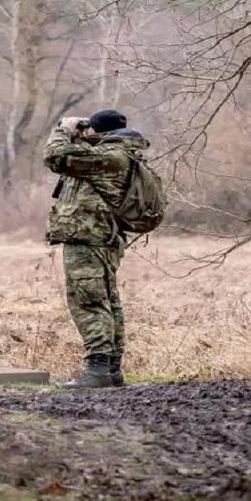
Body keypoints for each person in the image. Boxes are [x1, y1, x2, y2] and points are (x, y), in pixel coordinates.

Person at [43, 109, 151, 388]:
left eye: (89, 128)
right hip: (100, 237)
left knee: (88, 301)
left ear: (99, 132)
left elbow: (55, 156)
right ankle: (111, 369)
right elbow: (78, 160)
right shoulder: (115, 156)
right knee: (106, 301)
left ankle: (98, 369)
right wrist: (82, 137)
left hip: (89, 238)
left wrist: (64, 130)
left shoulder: (108, 157)